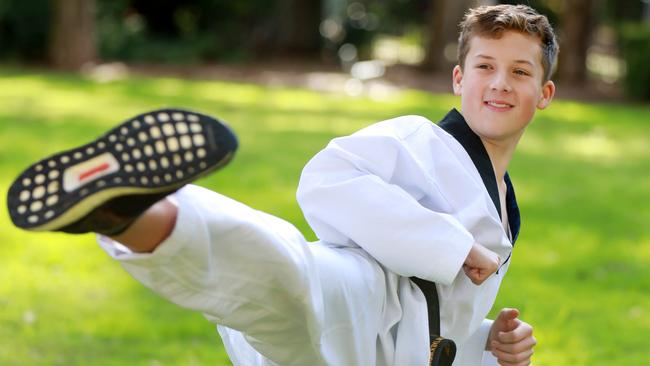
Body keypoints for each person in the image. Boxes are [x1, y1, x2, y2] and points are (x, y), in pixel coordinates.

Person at [7, 4, 557, 366]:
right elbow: (326, 180)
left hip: (377, 349)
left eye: (520, 72)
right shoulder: (413, 138)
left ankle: (127, 213)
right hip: (355, 293)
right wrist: (450, 244)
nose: (500, 84)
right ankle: (128, 212)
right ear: (459, 79)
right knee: (288, 278)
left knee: (275, 299)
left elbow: (441, 314)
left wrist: (488, 339)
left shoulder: (505, 205)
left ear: (545, 93)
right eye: (485, 66)